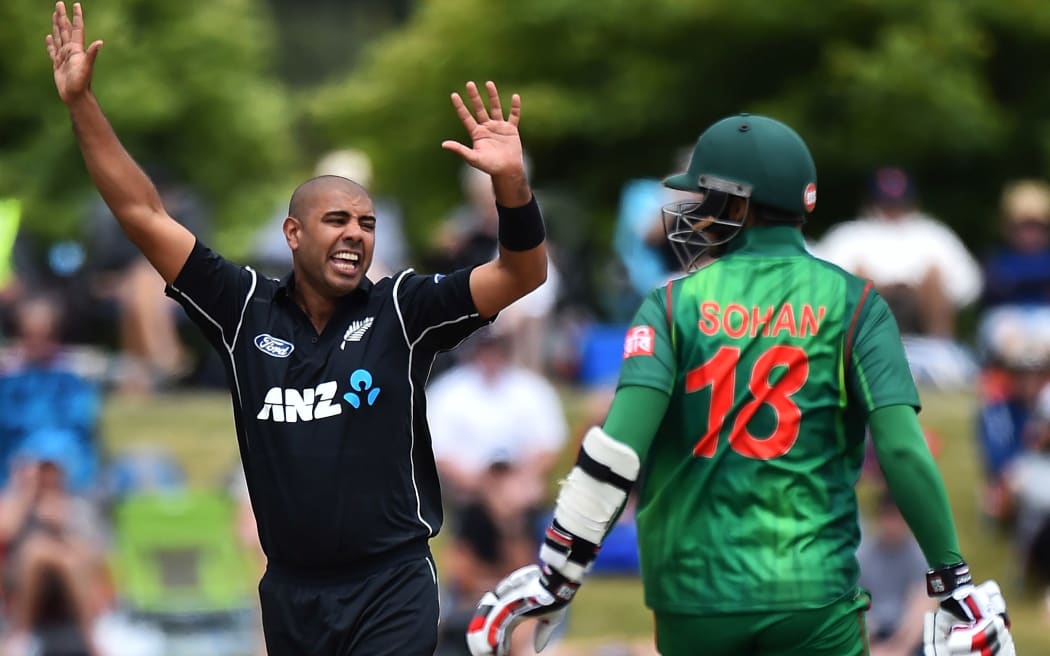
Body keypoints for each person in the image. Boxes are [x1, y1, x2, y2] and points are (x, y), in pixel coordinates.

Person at [46, 3, 548, 654]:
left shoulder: (402, 308)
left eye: (367, 224)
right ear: (293, 233)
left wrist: (511, 186)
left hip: (392, 584)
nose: (355, 234)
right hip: (292, 592)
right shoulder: (241, 307)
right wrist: (82, 104)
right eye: (337, 220)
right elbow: (143, 213)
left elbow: (522, 272)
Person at [466, 115, 1014, 655]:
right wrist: (953, 581)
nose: (694, 212)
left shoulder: (672, 304)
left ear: (738, 204)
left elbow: (616, 453)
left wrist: (556, 575)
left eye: (705, 197)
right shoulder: (857, 304)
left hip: (693, 595)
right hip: (812, 592)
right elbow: (902, 450)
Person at [813, 166, 982, 339]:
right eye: (886, 204)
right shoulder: (849, 235)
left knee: (933, 279)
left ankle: (938, 345)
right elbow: (821, 284)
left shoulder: (934, 235)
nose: (893, 210)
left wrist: (921, 292)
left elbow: (968, 284)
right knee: (858, 283)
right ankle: (861, 347)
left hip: (924, 318)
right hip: (868, 319)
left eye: (899, 204)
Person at [858, 491, 935, 656]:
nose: (893, 525)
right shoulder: (863, 556)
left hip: (907, 637)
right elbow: (856, 606)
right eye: (889, 517)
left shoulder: (919, 555)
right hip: (871, 634)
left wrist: (900, 649)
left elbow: (922, 606)